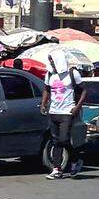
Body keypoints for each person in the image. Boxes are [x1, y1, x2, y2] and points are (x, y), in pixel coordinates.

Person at [40, 49, 85, 179]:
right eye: (50, 61)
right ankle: (57, 169)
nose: (51, 63)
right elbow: (47, 90)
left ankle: (76, 159)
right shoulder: (50, 75)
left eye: (52, 60)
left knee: (63, 139)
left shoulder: (72, 73)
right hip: (54, 111)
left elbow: (84, 90)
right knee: (55, 141)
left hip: (67, 112)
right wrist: (43, 104)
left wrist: (77, 107)